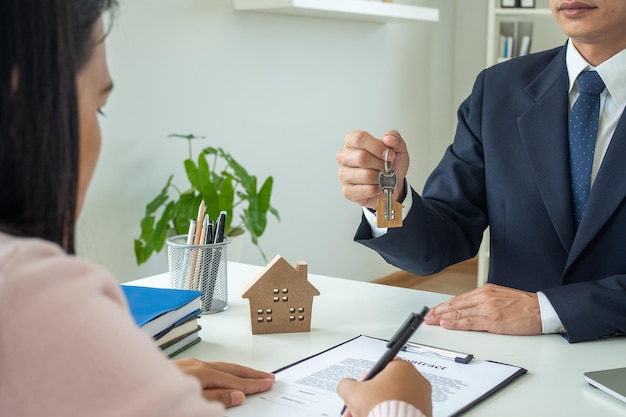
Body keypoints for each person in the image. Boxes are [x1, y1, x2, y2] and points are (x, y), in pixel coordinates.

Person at [0, 1, 432, 416]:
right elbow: (442, 238)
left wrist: (123, 385)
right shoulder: (31, 300)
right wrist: (399, 408)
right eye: (99, 107)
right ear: (26, 99)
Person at [337, 0, 626, 344]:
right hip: (512, 358)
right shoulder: (498, 89)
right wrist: (388, 199)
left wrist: (548, 310)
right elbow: (443, 239)